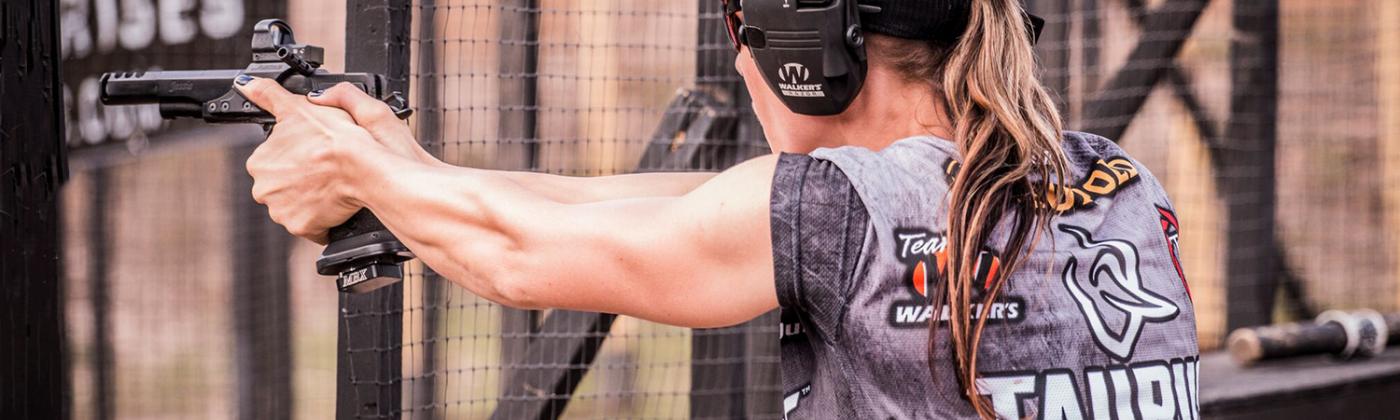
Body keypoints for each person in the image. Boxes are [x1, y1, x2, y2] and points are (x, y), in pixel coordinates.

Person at [234, 0, 1199, 417]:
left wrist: (356, 171)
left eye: (748, 28)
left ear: (810, 49)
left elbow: (517, 258)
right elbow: (648, 206)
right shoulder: (1116, 181)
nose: (741, 61)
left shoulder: (835, 210)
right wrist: (402, 165)